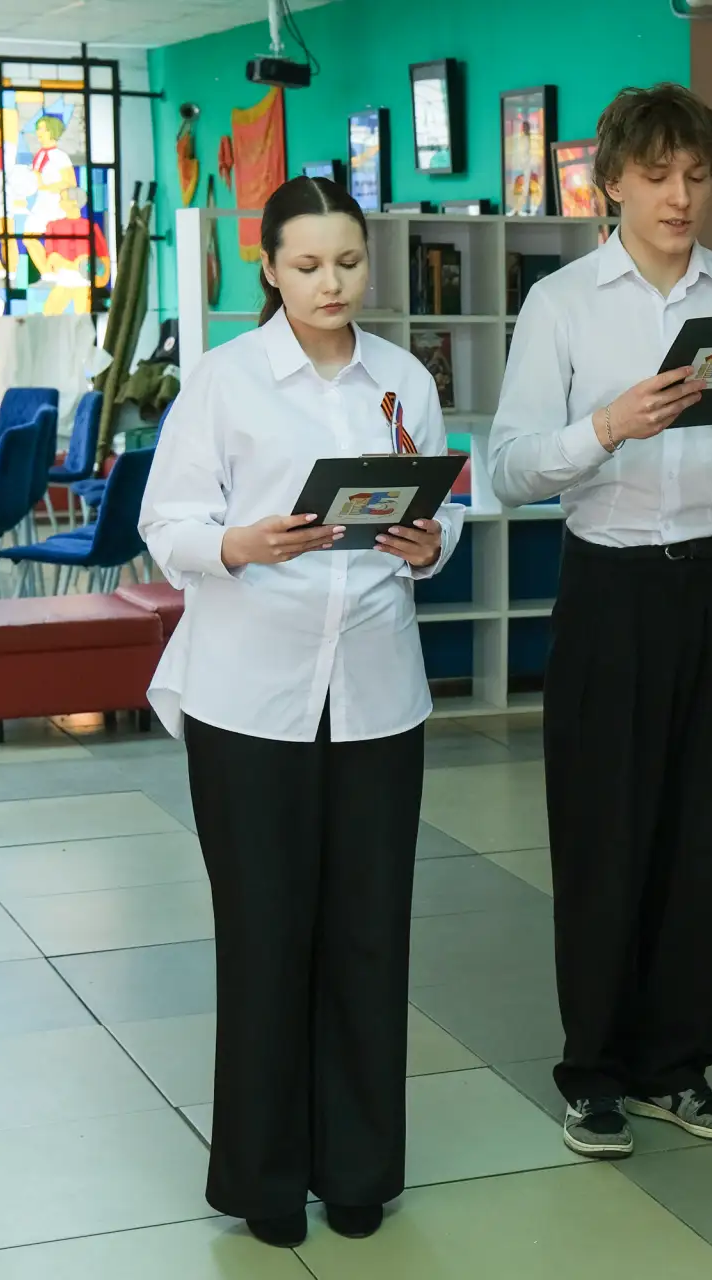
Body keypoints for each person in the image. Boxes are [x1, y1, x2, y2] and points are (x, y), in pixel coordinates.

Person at [138, 174, 464, 1247]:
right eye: (310, 264)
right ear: (271, 269)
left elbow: (444, 510)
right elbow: (167, 523)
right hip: (249, 700)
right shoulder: (226, 380)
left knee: (370, 934)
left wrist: (431, 541)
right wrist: (238, 543)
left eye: (350, 262)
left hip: (377, 695)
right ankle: (266, 1178)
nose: (333, 283)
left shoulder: (404, 379)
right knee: (266, 936)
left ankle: (360, 1165)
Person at [490, 82, 712, 1159]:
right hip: (608, 591)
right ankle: (593, 1073)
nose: (680, 197)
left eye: (697, 176)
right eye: (658, 176)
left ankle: (678, 1067)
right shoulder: (563, 304)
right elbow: (509, 468)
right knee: (601, 836)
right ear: (611, 181)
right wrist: (608, 428)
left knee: (696, 832)